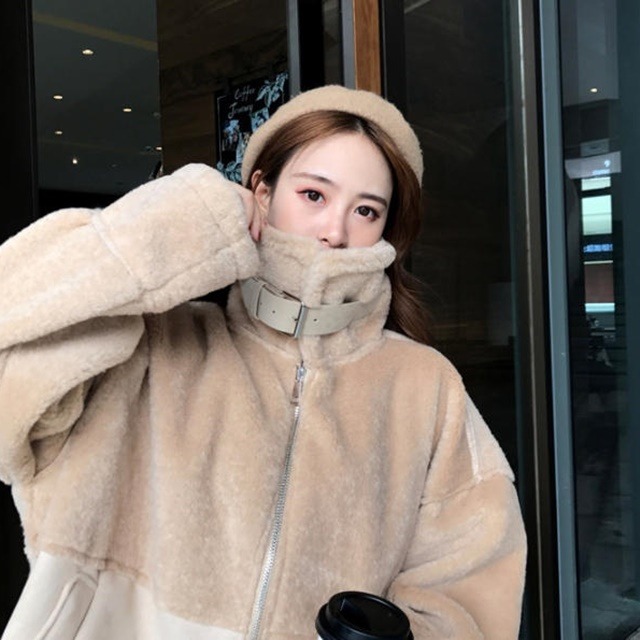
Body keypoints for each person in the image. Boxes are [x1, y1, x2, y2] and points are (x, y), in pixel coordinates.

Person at [0, 85, 526, 639]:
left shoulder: (424, 386)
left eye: (366, 210)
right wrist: (188, 220)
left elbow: (470, 583)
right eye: (314, 195)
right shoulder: (154, 344)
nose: (335, 231)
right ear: (260, 191)